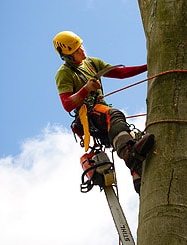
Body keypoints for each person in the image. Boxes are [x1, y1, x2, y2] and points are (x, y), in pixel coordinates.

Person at [53, 30, 154, 193]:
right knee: (114, 115)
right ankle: (130, 154)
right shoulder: (64, 74)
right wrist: (86, 89)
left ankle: (137, 175)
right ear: (68, 56)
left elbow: (120, 73)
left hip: (102, 113)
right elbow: (67, 104)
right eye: (76, 50)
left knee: (134, 137)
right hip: (89, 116)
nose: (82, 51)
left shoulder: (91, 63)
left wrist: (149, 67)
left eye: (80, 46)